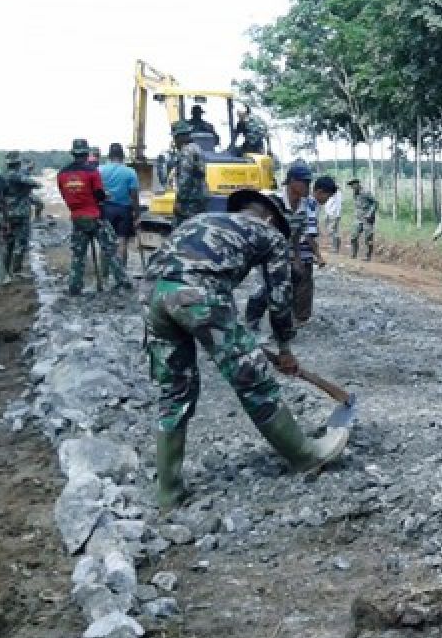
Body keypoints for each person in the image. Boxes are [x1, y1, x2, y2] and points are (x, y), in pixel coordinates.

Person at [144, 189, 349, 512]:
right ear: (270, 217)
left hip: (154, 296)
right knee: (252, 378)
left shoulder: (203, 220)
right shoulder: (268, 232)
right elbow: (279, 297)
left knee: (174, 390)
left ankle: (169, 490)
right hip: (200, 294)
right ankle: (305, 455)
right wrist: (285, 347)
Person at [245, 162, 323, 329]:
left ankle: (280, 327)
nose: (308, 186)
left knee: (286, 287)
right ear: (292, 182)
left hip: (283, 252)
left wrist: (298, 260)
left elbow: (296, 236)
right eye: (305, 182)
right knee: (266, 288)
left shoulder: (303, 206)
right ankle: (251, 323)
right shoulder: (274, 202)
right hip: (265, 251)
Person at [57, 138, 132, 295]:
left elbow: (65, 196)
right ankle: (123, 282)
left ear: (74, 153)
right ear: (86, 153)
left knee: (78, 255)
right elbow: (99, 194)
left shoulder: (62, 174)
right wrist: (106, 196)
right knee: (110, 249)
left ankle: (75, 286)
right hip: (95, 216)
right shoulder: (92, 171)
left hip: (77, 218)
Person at [98, 143, 140, 267]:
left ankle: (104, 273)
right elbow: (134, 196)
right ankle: (122, 274)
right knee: (122, 242)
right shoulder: (130, 172)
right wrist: (137, 215)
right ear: (122, 155)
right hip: (124, 210)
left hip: (105, 209)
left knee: (105, 243)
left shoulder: (99, 170)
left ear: (109, 155)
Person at [0, 151, 40, 281]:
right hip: (21, 214)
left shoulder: (2, 176)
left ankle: (5, 273)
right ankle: (16, 271)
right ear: (18, 163)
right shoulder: (18, 176)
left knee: (8, 244)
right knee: (21, 243)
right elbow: (36, 184)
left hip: (6, 215)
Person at [170, 120, 207, 228]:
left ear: (181, 136)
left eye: (175, 137)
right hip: (200, 197)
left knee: (180, 230)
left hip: (189, 200)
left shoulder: (186, 151)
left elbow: (185, 179)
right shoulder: (197, 148)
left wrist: (179, 201)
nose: (175, 141)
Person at [347, 178, 377, 261]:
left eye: (353, 185)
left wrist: (370, 213)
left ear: (357, 184)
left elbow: (375, 203)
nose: (352, 187)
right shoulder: (355, 194)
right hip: (358, 218)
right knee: (353, 236)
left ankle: (368, 256)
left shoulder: (366, 192)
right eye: (351, 185)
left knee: (368, 238)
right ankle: (354, 254)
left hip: (367, 219)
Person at [314, 175, 343, 254]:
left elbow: (338, 204)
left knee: (332, 230)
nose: (328, 199)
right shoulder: (316, 203)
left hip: (334, 214)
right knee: (330, 230)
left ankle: (335, 247)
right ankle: (334, 246)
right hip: (329, 213)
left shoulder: (336, 193)